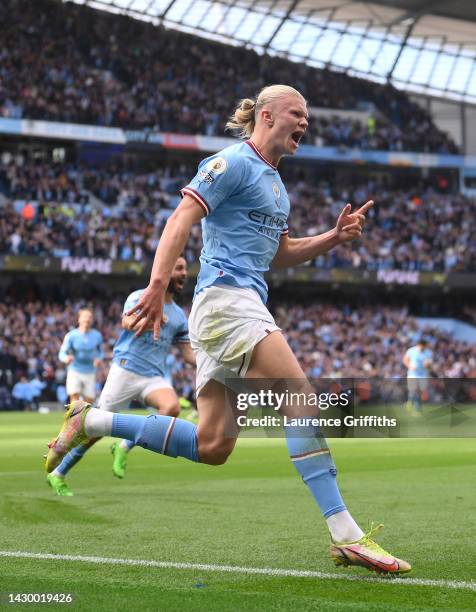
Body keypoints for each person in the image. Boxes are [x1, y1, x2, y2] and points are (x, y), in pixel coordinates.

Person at [46, 84, 410, 574]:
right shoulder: (232, 163)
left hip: (236, 306)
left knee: (212, 446)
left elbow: (279, 253)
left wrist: (332, 236)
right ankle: (347, 534)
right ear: (266, 115)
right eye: (296, 114)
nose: (305, 123)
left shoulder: (276, 184)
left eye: (307, 117)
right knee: (299, 397)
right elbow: (182, 216)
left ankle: (91, 421)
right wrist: (156, 285)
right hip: (226, 302)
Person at [47, 257, 195, 496]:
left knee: (172, 407)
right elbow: (126, 322)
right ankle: (58, 473)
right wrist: (149, 320)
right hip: (125, 371)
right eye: (178, 268)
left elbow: (189, 354)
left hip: (153, 377)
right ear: (164, 271)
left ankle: (123, 446)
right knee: (94, 431)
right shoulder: (141, 297)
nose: (184, 274)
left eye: (185, 269)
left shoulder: (179, 316)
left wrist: (213, 362)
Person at [58, 308, 104, 404]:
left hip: (90, 371)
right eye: (85, 316)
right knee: (74, 396)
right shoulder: (71, 335)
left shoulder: (97, 335)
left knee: (89, 400)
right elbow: (62, 353)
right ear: (79, 319)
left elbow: (101, 352)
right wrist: (66, 358)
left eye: (90, 317)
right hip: (75, 370)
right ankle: (74, 419)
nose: (87, 319)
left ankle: (85, 419)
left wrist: (98, 359)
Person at [403, 338, 433, 415]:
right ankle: (410, 403)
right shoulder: (411, 350)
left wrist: (428, 365)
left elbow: (430, 366)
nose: (423, 347)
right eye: (422, 346)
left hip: (423, 374)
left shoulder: (428, 352)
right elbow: (405, 360)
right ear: (418, 345)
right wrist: (410, 366)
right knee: (412, 390)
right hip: (413, 373)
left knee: (420, 392)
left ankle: (417, 409)